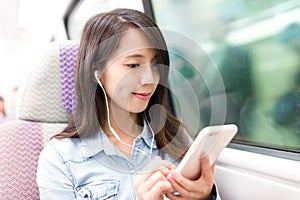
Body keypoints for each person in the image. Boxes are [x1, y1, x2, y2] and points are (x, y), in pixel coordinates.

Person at [37, 8, 218, 200]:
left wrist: (205, 197)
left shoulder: (176, 137)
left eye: (156, 65)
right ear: (96, 71)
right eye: (133, 65)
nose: (150, 79)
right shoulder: (60, 159)